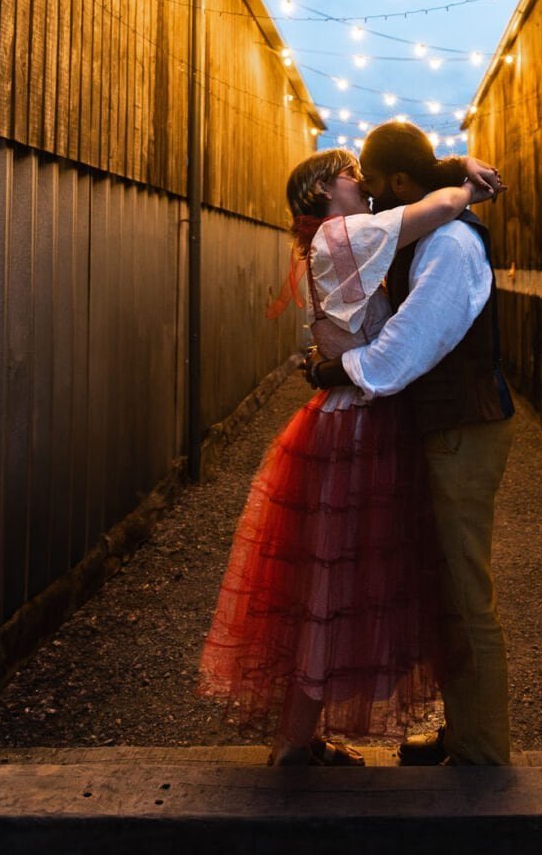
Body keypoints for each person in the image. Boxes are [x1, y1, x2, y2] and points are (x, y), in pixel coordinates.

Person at [197, 146, 502, 766]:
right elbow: (437, 204)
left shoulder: (325, 242)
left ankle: (298, 738)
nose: (360, 183)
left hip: (344, 415)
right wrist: (466, 180)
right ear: (321, 191)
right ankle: (296, 744)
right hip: (361, 422)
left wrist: (454, 157)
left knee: (325, 581)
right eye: (348, 176)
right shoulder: (347, 234)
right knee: (338, 582)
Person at [306, 122, 515, 766]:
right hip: (449, 423)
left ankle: (482, 752)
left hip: (463, 427)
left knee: (463, 588)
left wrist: (338, 369)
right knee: (447, 583)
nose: (366, 196)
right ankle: (467, 730)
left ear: (400, 182)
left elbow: (408, 347)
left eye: (373, 183)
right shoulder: (430, 227)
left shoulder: (449, 244)